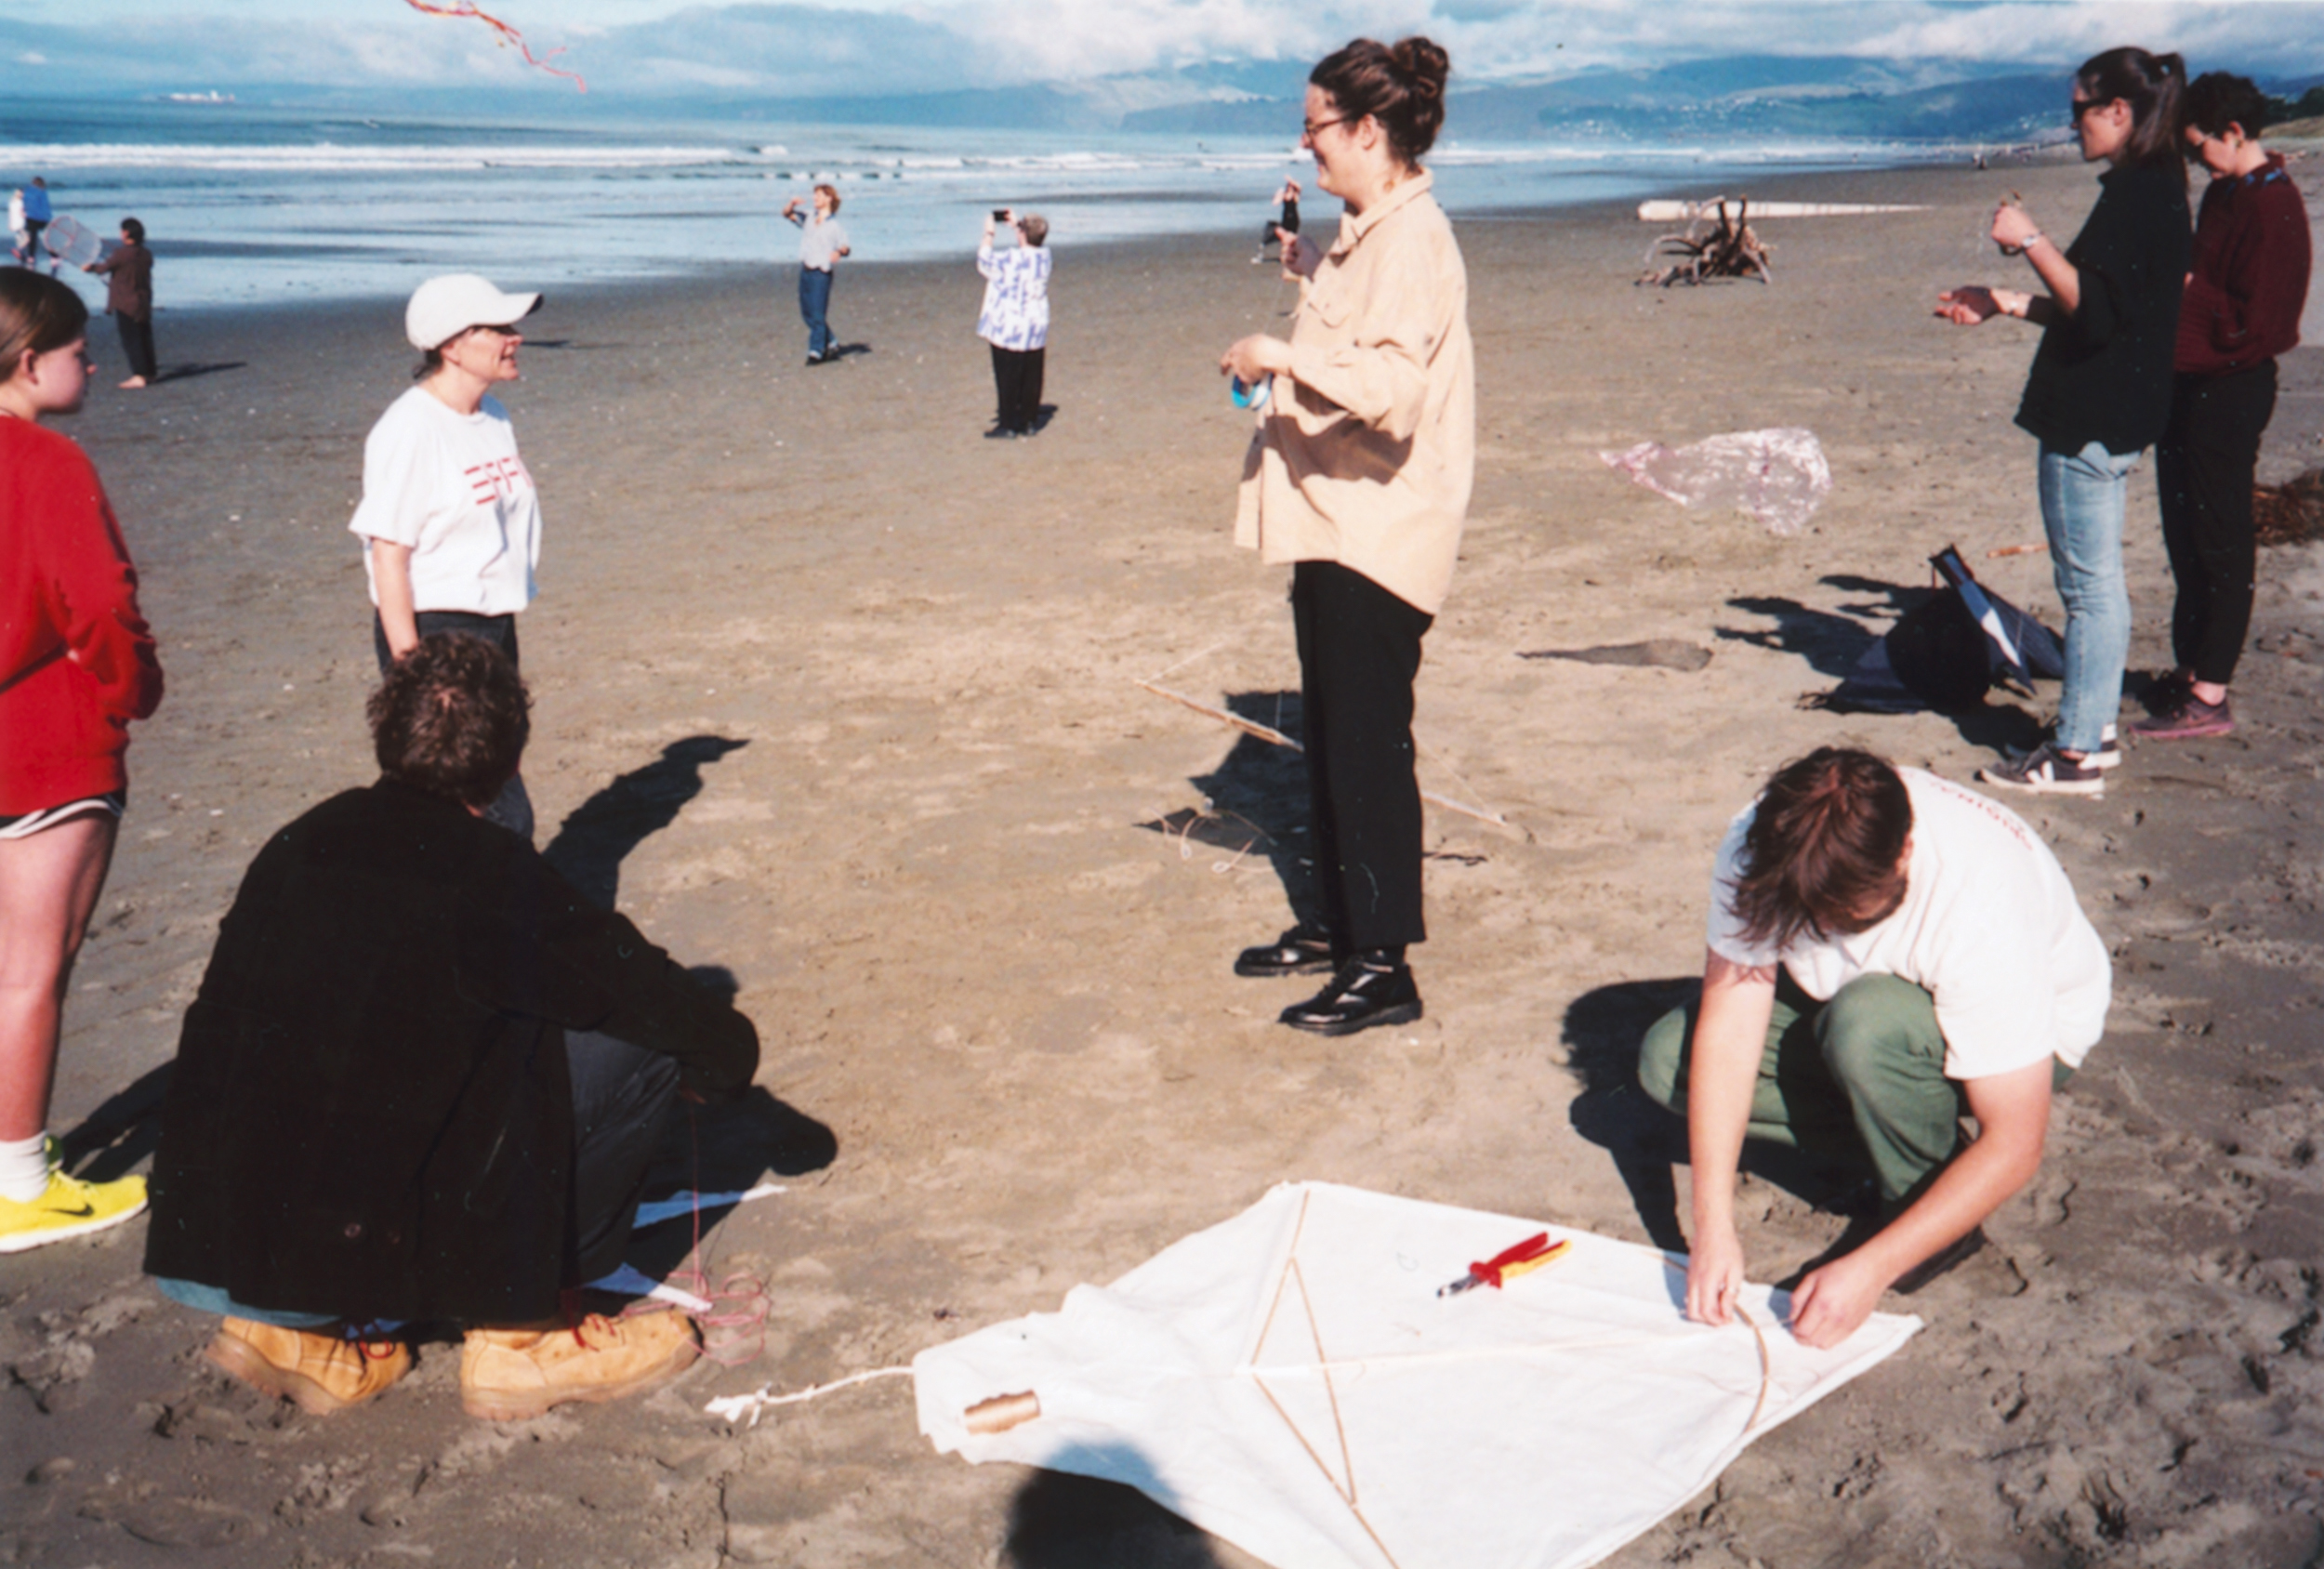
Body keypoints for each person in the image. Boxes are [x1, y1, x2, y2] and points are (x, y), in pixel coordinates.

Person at [143, 634, 759, 1419]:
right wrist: (719, 1069)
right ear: (511, 764)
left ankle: (288, 1331)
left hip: (219, 1249)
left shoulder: (296, 842)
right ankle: (520, 1338)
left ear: (387, 737)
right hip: (347, 1243)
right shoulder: (495, 873)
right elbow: (665, 1009)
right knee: (634, 1048)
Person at [1638, 748, 2110, 1349]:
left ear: (1904, 852)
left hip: (2030, 1043)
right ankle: (1897, 1134)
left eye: (1846, 917)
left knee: (1868, 1026)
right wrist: (1712, 1226)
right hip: (1849, 1001)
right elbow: (1731, 1026)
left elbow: (2017, 1141)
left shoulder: (1980, 902)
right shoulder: (1763, 846)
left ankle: (1931, 1213)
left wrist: (1873, 1267)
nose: (1826, 931)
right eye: (1811, 919)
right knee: (1667, 1061)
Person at [1217, 36, 1473, 1035]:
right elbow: (1367, 331)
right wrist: (1312, 272)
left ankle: (1383, 964)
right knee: (1328, 734)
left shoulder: (1414, 237)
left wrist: (1278, 349)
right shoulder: (1371, 228)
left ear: (1368, 130)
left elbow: (1393, 393)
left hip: (1380, 527)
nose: (1306, 141)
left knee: (1366, 745)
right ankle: (1336, 925)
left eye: (1317, 123)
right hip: (1338, 518)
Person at [1936, 47, 2191, 797]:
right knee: (2097, 583)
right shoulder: (2155, 186)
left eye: (2078, 108)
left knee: (2088, 588)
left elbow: (2097, 310)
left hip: (2092, 416)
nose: (2071, 122)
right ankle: (2092, 736)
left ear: (2119, 112)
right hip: (2115, 411)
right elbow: (2103, 312)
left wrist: (2029, 240)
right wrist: (2003, 299)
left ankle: (2079, 749)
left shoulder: (2141, 193)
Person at [0, 270, 165, 1252]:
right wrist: (130, 689)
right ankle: (18, 1180)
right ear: (29, 362)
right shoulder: (48, 461)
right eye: (76, 350)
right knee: (32, 969)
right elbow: (100, 600)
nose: (92, 362)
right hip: (49, 746)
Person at [2134, 73, 2312, 742]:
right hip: (2193, 377)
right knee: (2185, 534)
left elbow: (2258, 326)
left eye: (2198, 145)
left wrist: (2183, 288)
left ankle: (2211, 692)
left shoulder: (2275, 208)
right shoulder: (2226, 192)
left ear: (2234, 134)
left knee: (2221, 537)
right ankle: (2192, 667)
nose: (2194, 158)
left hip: (2232, 387)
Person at [350, 272, 544, 838]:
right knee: (485, 814)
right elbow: (389, 556)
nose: (516, 338)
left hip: (495, 628)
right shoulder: (409, 429)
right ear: (452, 346)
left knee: (496, 790)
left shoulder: (495, 418)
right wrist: (412, 673)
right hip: (436, 634)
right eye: (499, 328)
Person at [976, 209, 1051, 439]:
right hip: (1035, 323)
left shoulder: (1011, 258)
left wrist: (989, 233)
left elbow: (983, 261)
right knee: (1031, 373)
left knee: (1007, 374)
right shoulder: (1045, 257)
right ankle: (1028, 421)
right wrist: (1017, 225)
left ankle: (1008, 424)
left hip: (1010, 325)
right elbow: (1030, 240)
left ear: (1022, 233)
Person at [782, 184, 851, 366]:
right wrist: (791, 204)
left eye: (819, 196)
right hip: (806, 268)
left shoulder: (834, 225)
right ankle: (832, 342)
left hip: (822, 272)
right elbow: (787, 214)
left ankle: (816, 351)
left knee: (818, 314)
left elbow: (845, 246)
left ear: (828, 198)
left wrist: (839, 253)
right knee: (808, 313)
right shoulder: (809, 217)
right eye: (814, 196)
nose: (815, 199)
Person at [86, 218, 157, 389]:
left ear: (126, 233)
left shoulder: (122, 253)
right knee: (144, 336)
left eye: (121, 231)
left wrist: (90, 268)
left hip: (126, 302)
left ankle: (139, 375)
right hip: (143, 301)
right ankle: (150, 373)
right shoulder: (146, 254)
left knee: (131, 339)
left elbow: (103, 268)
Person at [1254, 177, 1301, 264]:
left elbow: (1299, 186)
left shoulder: (1295, 195)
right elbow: (1275, 203)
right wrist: (1279, 193)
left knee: (1290, 239)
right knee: (1281, 234)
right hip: (1285, 220)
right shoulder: (1284, 194)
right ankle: (1289, 255)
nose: (1289, 187)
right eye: (1288, 186)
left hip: (1294, 219)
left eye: (1291, 186)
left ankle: (1292, 256)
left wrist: (1290, 179)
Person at [18, 178, 51, 271]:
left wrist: (24, 212)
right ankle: (55, 258)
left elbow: (24, 203)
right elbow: (45, 206)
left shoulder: (27, 191)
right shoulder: (42, 192)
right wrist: (48, 217)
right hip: (41, 218)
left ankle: (30, 257)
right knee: (49, 237)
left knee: (32, 237)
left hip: (30, 217)